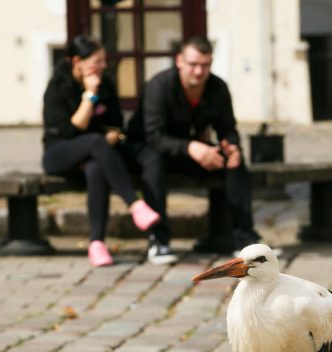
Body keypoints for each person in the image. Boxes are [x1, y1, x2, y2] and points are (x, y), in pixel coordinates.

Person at [127, 35, 265, 259]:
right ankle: (158, 240)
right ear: (179, 61)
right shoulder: (159, 86)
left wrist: (233, 147)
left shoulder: (218, 87)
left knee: (232, 162)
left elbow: (227, 127)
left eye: (205, 65)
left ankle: (245, 238)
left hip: (188, 151)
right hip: (146, 151)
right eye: (193, 65)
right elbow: (153, 136)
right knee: (154, 163)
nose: (199, 72)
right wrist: (192, 147)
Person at [42, 35, 170, 267]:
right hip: (59, 153)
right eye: (96, 61)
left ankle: (96, 245)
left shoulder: (107, 83)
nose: (102, 66)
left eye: (103, 61)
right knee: (94, 142)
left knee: (95, 167)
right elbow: (70, 131)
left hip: (99, 156)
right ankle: (135, 205)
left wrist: (104, 135)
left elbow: (115, 124)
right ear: (77, 61)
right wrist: (90, 96)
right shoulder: (57, 87)